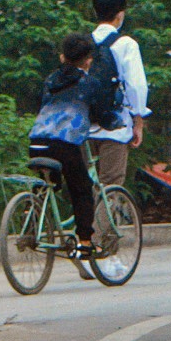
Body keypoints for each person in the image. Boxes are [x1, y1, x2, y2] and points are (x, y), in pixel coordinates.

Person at [29, 34, 111, 259]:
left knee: (49, 183)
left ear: (62, 57)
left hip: (37, 142)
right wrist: (115, 122)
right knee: (81, 189)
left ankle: (32, 212)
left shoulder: (50, 80)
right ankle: (85, 243)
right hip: (64, 144)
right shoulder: (90, 83)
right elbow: (102, 114)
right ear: (88, 61)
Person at [87, 0, 149, 190]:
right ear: (120, 14)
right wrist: (138, 121)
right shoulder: (126, 44)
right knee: (110, 187)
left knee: (83, 189)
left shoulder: (82, 43)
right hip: (115, 128)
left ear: (95, 12)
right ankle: (104, 212)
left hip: (82, 127)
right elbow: (136, 86)